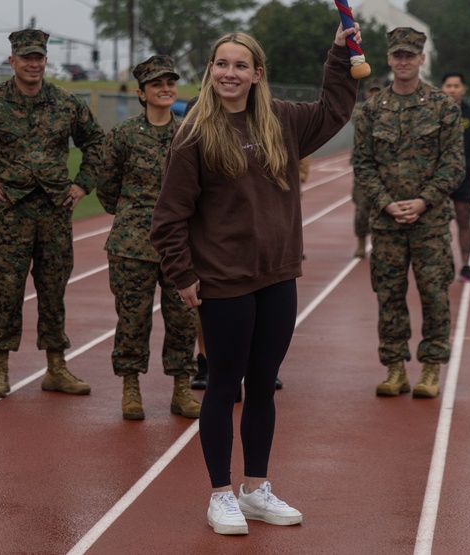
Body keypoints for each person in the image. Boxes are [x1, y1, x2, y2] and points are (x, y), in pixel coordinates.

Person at [151, 26, 360, 536]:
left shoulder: (283, 120)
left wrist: (339, 51)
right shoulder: (194, 133)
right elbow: (168, 218)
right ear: (210, 71)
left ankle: (256, 489)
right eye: (222, 64)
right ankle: (220, 494)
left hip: (278, 275)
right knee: (225, 384)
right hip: (223, 279)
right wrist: (182, 274)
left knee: (264, 385)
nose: (230, 73)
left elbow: (335, 108)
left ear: (257, 74)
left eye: (240, 65)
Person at [0, 29, 105, 399]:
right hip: (10, 211)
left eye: (39, 57)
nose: (34, 63)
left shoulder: (66, 103)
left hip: (55, 211)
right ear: (12, 60)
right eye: (26, 57)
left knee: (53, 290)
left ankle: (56, 367)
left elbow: (96, 142)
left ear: (46, 60)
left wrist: (83, 184)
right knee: (7, 290)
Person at [352, 28, 464, 400]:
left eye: (410, 55)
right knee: (389, 295)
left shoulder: (443, 106)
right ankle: (395, 367)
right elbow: (363, 165)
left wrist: (423, 201)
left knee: (433, 294)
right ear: (388, 59)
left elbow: (453, 164)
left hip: (429, 222)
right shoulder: (370, 110)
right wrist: (386, 202)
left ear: (422, 59)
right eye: (398, 55)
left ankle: (431, 368)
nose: (403, 61)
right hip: (386, 223)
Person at [97, 55, 200, 421]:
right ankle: (131, 388)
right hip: (132, 246)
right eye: (157, 84)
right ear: (141, 93)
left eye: (170, 83)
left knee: (184, 320)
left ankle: (181, 389)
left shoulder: (191, 133)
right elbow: (107, 188)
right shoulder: (123, 135)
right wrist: (133, 216)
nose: (166, 89)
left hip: (181, 246)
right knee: (132, 320)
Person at [439, 72, 470, 282]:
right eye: (448, 85)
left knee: (463, 220)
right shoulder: (433, 112)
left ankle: (466, 265)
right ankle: (438, 264)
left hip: (463, 178)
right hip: (437, 179)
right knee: (436, 223)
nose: (452, 90)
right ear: (442, 88)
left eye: (456, 86)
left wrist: (463, 167)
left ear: (463, 89)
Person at [351, 79, 381, 258]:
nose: (374, 95)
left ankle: (379, 243)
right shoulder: (360, 111)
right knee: (362, 208)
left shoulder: (391, 109)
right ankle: (361, 242)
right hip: (362, 167)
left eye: (378, 91)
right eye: (371, 91)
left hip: (384, 167)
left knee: (382, 207)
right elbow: (356, 119)